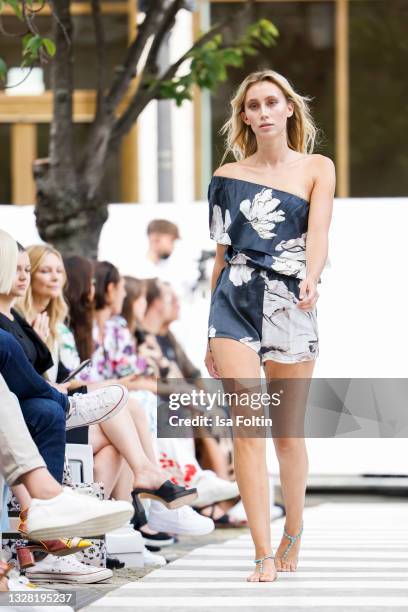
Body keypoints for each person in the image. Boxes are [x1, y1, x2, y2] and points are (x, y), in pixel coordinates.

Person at [205, 70, 335, 582]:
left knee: (287, 433)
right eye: (251, 105)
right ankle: (261, 551)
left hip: (290, 299)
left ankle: (293, 531)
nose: (261, 112)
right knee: (247, 432)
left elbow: (319, 232)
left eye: (269, 103)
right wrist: (208, 328)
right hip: (232, 302)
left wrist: (313, 277)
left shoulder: (317, 167)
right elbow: (219, 252)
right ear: (244, 116)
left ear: (288, 110)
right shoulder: (226, 176)